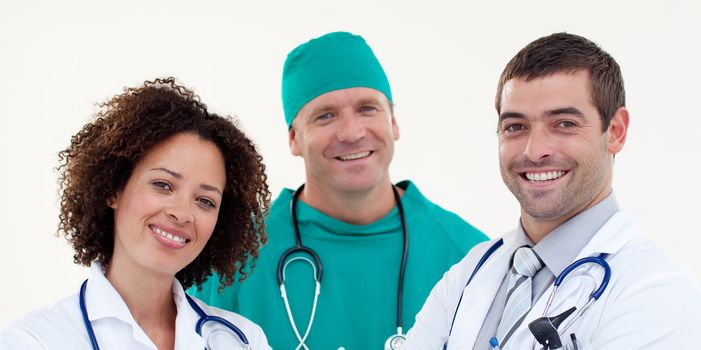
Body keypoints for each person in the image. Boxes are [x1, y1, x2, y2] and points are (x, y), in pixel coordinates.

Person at [189, 31, 488, 349]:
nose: (351, 132)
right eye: (325, 116)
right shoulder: (234, 257)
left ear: (394, 122)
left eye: (367, 109)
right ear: (294, 138)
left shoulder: (469, 256)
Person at [404, 32, 701, 349]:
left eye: (564, 123)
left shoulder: (656, 293)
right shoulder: (468, 274)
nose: (534, 150)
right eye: (516, 127)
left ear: (616, 131)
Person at [0, 78, 272, 349]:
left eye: (204, 201)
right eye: (163, 185)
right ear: (113, 189)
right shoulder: (35, 340)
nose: (182, 213)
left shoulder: (243, 341)